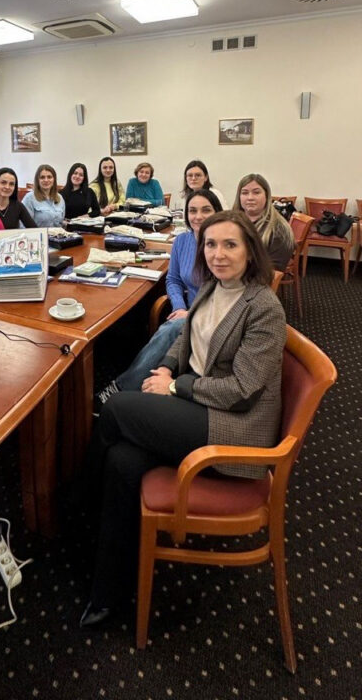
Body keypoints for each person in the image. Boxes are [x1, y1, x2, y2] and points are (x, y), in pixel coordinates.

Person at [80, 210, 286, 627]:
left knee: (116, 408)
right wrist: (167, 367)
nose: (218, 254)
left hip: (233, 427)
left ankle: (78, 504)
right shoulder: (212, 287)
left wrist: (176, 387)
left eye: (230, 245)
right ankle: (108, 591)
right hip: (200, 405)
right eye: (211, 244)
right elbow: (185, 338)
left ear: (250, 251)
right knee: (122, 459)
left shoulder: (264, 306)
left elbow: (242, 391)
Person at [96, 189, 223, 403]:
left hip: (212, 317)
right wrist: (179, 307)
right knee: (159, 321)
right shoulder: (182, 241)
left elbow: (223, 294)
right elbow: (173, 279)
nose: (198, 216)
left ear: (217, 213)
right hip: (186, 312)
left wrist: (191, 314)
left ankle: (120, 388)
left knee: (171, 328)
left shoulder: (219, 248)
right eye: (192, 211)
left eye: (206, 210)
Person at [233, 173, 294, 271]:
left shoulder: (279, 230)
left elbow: (272, 272)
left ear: (266, 196)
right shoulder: (232, 222)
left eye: (256, 192)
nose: (250, 198)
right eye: (245, 193)